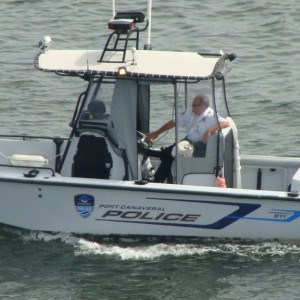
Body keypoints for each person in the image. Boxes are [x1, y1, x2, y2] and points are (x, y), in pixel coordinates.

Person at [145, 94, 229, 183]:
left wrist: (209, 130)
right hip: (189, 140)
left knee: (170, 154)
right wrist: (156, 133)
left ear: (202, 107)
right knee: (170, 153)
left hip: (200, 146)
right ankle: (162, 174)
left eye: (194, 105)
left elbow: (225, 123)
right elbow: (174, 122)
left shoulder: (210, 115)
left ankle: (157, 178)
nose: (192, 107)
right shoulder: (190, 112)